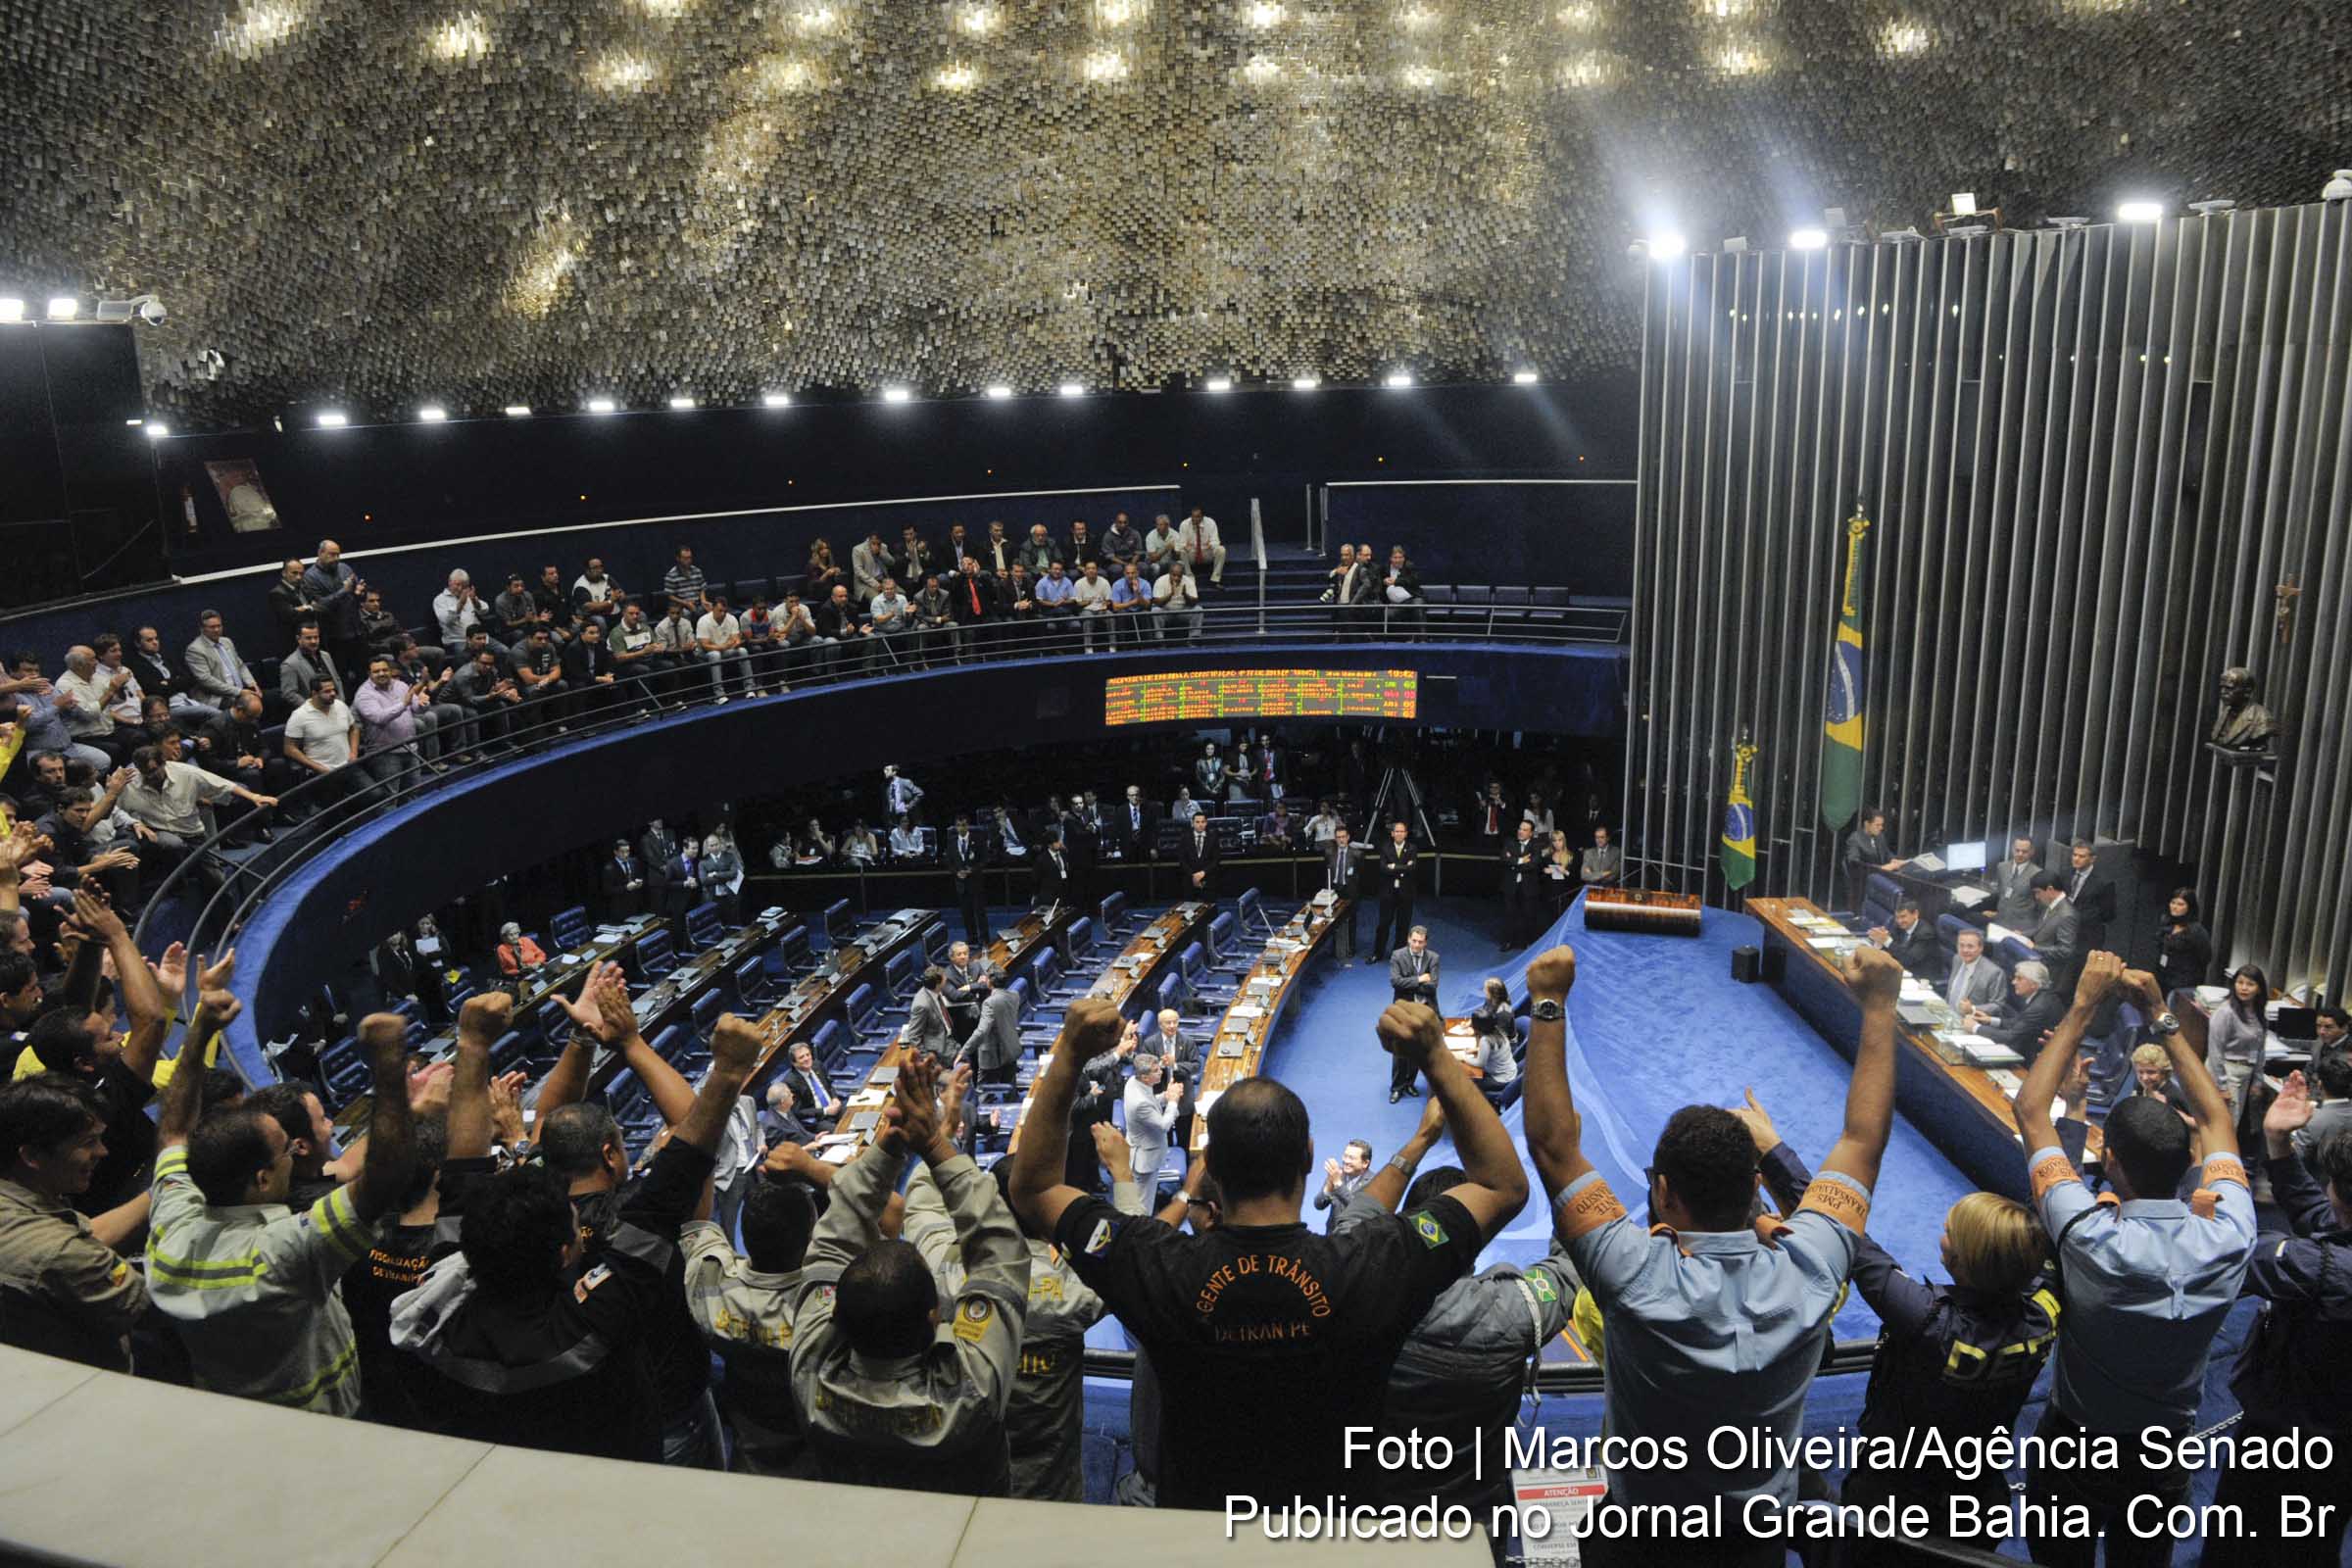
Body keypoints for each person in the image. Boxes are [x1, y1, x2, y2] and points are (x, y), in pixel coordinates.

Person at [1008, 995, 1525, 1511]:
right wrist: (1436, 1055)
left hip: (1201, 1538)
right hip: (1333, 1539)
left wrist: (1070, 1053)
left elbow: (1032, 1189)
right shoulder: (1373, 1264)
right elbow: (1502, 1187)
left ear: (1208, 1167)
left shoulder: (1158, 1265)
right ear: (1307, 1157)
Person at [1522, 943, 1898, 1565]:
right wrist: (1881, 1008)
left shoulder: (1633, 1273)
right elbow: (1863, 1142)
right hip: (1755, 1544)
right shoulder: (1813, 1269)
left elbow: (1552, 1146)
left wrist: (1548, 1002)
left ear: (1662, 1193)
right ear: (1757, 1187)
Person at [390, 992, 757, 1460]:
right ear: (564, 1254)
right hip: (658, 1439)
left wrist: (476, 1044)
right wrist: (722, 1072)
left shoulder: (443, 1299)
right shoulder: (596, 1317)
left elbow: (463, 1166)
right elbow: (681, 1166)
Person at [1730, 1088, 2059, 1556]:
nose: (1942, 1229)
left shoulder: (1926, 1320)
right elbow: (2054, 1230)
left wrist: (1772, 1150)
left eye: (1950, 1230)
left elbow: (1841, 1224)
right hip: (1976, 1503)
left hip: (1893, 1504)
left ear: (1960, 1260)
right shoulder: (2044, 1310)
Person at [2009, 954, 2254, 1568]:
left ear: (2109, 1160)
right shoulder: (2231, 1234)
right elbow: (2218, 1118)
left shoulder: (2090, 1236)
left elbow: (2031, 1111)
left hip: (2074, 1445)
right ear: (2188, 1163)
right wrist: (2160, 1014)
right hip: (2163, 1454)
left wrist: (2084, 1003)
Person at [149, 959, 417, 1415]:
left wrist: (200, 1032)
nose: (294, 1156)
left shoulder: (174, 1219)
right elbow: (384, 1181)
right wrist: (390, 1068)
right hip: (321, 1418)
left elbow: (173, 1129)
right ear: (261, 1178)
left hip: (225, 1407)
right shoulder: (282, 1252)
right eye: (285, 1153)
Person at [789, 1053, 1031, 1494]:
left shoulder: (809, 1373)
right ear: (935, 1317)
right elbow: (1000, 1249)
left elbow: (833, 1237)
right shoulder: (971, 1394)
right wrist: (925, 1143)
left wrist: (891, 1146)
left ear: (835, 1319)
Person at [2200, 1071, 2352, 1568]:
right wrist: (2276, 1142)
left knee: (2240, 1541)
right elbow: (2320, 1215)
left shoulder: (2318, 1268)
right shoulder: (2336, 1245)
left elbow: (2240, 1249)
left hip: (2286, 1433)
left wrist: (2206, 1191)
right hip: (2336, 1434)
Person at [683, 1148, 825, 1476]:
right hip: (817, 1449)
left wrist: (701, 1150)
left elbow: (698, 1222)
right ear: (810, 1238)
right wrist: (810, 1168)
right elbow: (887, 1213)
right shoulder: (828, 1304)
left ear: (743, 1237)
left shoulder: (709, 1287)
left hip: (749, 1449)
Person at [0, 1074, 154, 1369]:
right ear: (32, 1155)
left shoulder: (22, 1201)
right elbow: (148, 1303)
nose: (102, 1152)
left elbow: (87, 1235)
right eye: (88, 1142)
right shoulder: (61, 1252)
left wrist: (161, 1189)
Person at [281, 674, 365, 810]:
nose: (333, 694)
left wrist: (353, 753)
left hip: (348, 765)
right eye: (327, 691)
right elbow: (289, 748)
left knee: (375, 795)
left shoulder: (340, 705)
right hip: (322, 772)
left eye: (334, 690)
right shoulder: (300, 715)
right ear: (314, 693)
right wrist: (318, 768)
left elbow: (354, 729)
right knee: (336, 813)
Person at [1119, 1053, 1184, 1214]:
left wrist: (1165, 1096)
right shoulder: (1140, 1103)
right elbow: (1163, 1125)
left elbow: (1151, 1101)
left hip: (1139, 1150)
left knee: (1140, 1200)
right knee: (1142, 1207)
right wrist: (1173, 1101)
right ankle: (1139, 1236)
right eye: (1156, 1071)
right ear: (1145, 1077)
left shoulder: (1133, 1083)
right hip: (1144, 1159)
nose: (1161, 1072)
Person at [2205, 962, 2270, 1113]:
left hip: (2245, 1074)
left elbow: (2260, 1048)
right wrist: (2222, 1086)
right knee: (2227, 1127)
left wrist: (2258, 1081)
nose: (2244, 988)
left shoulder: (2258, 1012)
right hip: (2226, 1073)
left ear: (2259, 989)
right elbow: (2215, 1052)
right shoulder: (2226, 1012)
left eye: (2250, 984)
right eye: (2240, 982)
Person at [1386, 927, 1440, 1102]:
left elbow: (1433, 986)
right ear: (1409, 939)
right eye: (1414, 941)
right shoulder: (1397, 956)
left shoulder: (1433, 958)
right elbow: (1395, 982)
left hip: (1424, 1010)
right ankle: (1397, 1087)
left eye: (1420, 942)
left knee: (1418, 1051)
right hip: (1404, 1011)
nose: (1417, 945)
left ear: (1425, 942)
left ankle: (1409, 1083)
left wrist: (1408, 983)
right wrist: (1419, 979)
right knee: (1400, 1050)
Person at [1964, 958, 2064, 1051]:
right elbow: (2020, 1021)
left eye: (2019, 979)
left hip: (2032, 1059)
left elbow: (2010, 1037)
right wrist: (1990, 1020)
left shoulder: (2039, 1007)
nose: (2013, 982)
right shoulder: (2043, 996)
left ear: (2034, 984)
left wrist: (1975, 1027)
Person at [181, 611, 265, 714]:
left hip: (241, 692)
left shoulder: (226, 641)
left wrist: (252, 683)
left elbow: (240, 665)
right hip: (218, 698)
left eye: (219, 626)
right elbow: (206, 680)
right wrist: (239, 692)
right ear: (202, 629)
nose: (216, 630)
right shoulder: (195, 649)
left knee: (272, 697)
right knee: (251, 708)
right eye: (212, 627)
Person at [958, 964, 1020, 1089]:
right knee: (1010, 1090)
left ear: (990, 981)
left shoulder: (990, 1003)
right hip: (1011, 1049)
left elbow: (981, 1031)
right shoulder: (1015, 995)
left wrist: (964, 1051)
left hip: (993, 1055)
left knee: (984, 1093)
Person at [2024, 870, 2083, 990]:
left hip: (2052, 974)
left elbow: (2065, 950)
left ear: (2050, 889)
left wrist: (2035, 947)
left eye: (2038, 892)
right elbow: (2042, 928)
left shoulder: (2067, 914)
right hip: (2041, 966)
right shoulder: (2052, 905)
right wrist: (2023, 934)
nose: (2037, 897)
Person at [2060, 839, 2120, 954]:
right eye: (2074, 855)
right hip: (2064, 933)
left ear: (2092, 859)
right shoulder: (2065, 874)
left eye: (2081, 856)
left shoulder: (2104, 882)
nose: (2076, 859)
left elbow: (2108, 914)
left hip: (2088, 936)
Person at [1843, 806, 1909, 909]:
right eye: (1877, 825)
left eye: (1881, 825)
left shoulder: (1880, 837)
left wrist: (1894, 860)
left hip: (1882, 880)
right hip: (1862, 885)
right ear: (1866, 824)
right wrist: (1880, 868)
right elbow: (1854, 862)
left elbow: (1886, 853)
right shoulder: (1855, 839)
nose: (1881, 828)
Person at [1370, 819, 1417, 963]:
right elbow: (1383, 868)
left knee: (1403, 926)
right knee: (1383, 924)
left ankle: (1398, 956)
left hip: (1406, 893)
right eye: (1397, 831)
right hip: (1388, 893)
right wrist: (1403, 867)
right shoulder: (1385, 848)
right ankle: (1378, 953)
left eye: (1402, 831)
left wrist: (1394, 867)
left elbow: (1412, 868)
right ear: (1392, 833)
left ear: (1406, 834)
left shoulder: (1412, 848)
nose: (1399, 834)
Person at [1867, 898, 1945, 983]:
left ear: (1915, 914)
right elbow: (1892, 948)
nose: (1899, 921)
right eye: (1897, 917)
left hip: (1921, 978)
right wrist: (1879, 942)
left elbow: (1909, 959)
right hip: (1902, 971)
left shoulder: (1926, 934)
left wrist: (1886, 941)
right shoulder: (1900, 926)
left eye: (1903, 916)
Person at [1469, 976, 1520, 1106]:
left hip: (1501, 1075)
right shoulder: (1490, 1002)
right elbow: (1484, 1014)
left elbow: (1481, 1062)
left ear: (1493, 993)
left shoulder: (1503, 1013)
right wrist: (1471, 1024)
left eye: (1485, 990)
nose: (1483, 992)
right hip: (1503, 1064)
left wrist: (1464, 1057)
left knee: (1470, 1078)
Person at [2154, 887, 2211, 1001]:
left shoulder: (2196, 931)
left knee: (2171, 1016)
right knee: (2160, 1014)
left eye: (2180, 904)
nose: (2174, 907)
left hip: (2182, 985)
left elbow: (2206, 957)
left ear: (2189, 907)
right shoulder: (2168, 925)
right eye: (2173, 902)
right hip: (2162, 979)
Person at [943, 810, 990, 948]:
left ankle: (985, 939)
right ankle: (972, 937)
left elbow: (985, 859)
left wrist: (973, 870)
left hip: (975, 881)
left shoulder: (978, 839)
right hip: (961, 883)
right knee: (966, 913)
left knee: (980, 912)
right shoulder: (951, 842)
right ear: (955, 827)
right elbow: (948, 862)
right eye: (958, 825)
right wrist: (956, 872)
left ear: (967, 825)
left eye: (963, 825)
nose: (961, 828)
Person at [693, 593, 750, 701]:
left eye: (725, 611)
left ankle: (749, 688)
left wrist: (736, 642)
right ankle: (719, 694)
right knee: (715, 655)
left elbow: (735, 638)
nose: (723, 614)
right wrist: (724, 646)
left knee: (742, 650)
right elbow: (705, 646)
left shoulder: (731, 619)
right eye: (720, 611)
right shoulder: (703, 621)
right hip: (704, 654)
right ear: (713, 608)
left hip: (725, 650)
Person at [1311, 1137, 1371, 1232]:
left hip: (1357, 1239)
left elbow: (1359, 1209)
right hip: (1332, 1237)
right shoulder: (1337, 1174)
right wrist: (1328, 1187)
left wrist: (1338, 1184)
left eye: (1351, 1158)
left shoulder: (1373, 1182)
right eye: (1345, 1156)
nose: (1346, 1161)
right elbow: (1318, 1205)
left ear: (1365, 1163)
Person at [1499, 817, 1542, 949]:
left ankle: (1527, 943)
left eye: (1524, 830)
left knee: (1528, 915)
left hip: (1528, 887)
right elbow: (1503, 859)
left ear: (1531, 833)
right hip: (1510, 886)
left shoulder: (1536, 846)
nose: (1520, 832)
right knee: (1509, 914)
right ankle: (1508, 942)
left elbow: (1533, 865)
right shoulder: (1509, 842)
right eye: (1520, 828)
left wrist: (1514, 863)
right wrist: (1521, 861)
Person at [1321, 823, 1362, 958]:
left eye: (1344, 837)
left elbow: (1361, 874)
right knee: (1333, 920)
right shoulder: (1329, 853)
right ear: (1335, 839)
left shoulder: (1357, 854)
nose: (1341, 840)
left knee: (1351, 920)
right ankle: (1335, 947)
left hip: (1350, 891)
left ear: (1348, 837)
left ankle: (1350, 947)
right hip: (1334, 891)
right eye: (1338, 837)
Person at [1941, 927, 2007, 1012]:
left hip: (1969, 1021)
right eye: (1961, 945)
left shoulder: (1994, 972)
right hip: (1947, 1013)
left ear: (1981, 948)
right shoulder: (1957, 959)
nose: (1965, 950)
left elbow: (1998, 1005)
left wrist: (1972, 1009)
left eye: (1970, 946)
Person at [1992, 835, 2043, 933]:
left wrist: (2029, 931)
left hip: (2021, 928)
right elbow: (2000, 892)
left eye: (2024, 851)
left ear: (2032, 852)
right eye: (2017, 850)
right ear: (2012, 849)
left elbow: (2040, 906)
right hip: (2000, 923)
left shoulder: (2038, 874)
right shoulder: (2002, 867)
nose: (2020, 854)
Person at [1152, 559, 1202, 640]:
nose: (1176, 578)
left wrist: (1185, 595)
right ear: (1169, 573)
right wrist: (1170, 595)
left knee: (1198, 609)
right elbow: (1157, 602)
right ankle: (1159, 639)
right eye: (1174, 575)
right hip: (1166, 611)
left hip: (1183, 611)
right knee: (1155, 610)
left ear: (1182, 575)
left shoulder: (1188, 581)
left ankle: (1194, 638)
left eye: (1179, 576)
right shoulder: (1160, 581)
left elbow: (1194, 602)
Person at [1175, 505, 1225, 588]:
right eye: (1193, 517)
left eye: (1198, 517)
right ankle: (1190, 577)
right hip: (1192, 553)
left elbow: (1216, 541)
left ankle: (1215, 579)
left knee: (1221, 550)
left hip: (1206, 553)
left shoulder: (1210, 523)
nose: (1195, 519)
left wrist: (1210, 545)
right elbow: (1181, 544)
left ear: (1202, 517)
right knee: (1182, 552)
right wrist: (1185, 546)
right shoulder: (1184, 524)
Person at [1177, 808, 1218, 900]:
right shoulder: (1184, 838)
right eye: (1197, 822)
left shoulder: (1213, 837)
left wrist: (1203, 873)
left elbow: (1216, 860)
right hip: (1189, 878)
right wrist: (1194, 875)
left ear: (1206, 823)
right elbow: (1182, 860)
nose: (1200, 824)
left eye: (1203, 822)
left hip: (1208, 877)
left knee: (1209, 908)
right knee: (1189, 910)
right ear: (1192, 823)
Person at [662, 545, 710, 616]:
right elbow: (670, 596)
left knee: (710, 609)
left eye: (690, 558)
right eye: (685, 558)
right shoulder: (672, 575)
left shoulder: (697, 571)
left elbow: (702, 588)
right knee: (686, 614)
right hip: (681, 606)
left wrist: (703, 601)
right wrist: (685, 603)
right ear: (678, 558)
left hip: (697, 603)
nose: (689, 560)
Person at [1579, 823, 1621, 889]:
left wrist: (1592, 874)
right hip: (1591, 889)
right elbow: (1584, 875)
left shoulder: (1616, 852)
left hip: (1608, 890)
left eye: (1602, 837)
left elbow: (1614, 875)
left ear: (1608, 838)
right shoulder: (1588, 853)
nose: (1599, 840)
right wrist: (1604, 874)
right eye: (1597, 837)